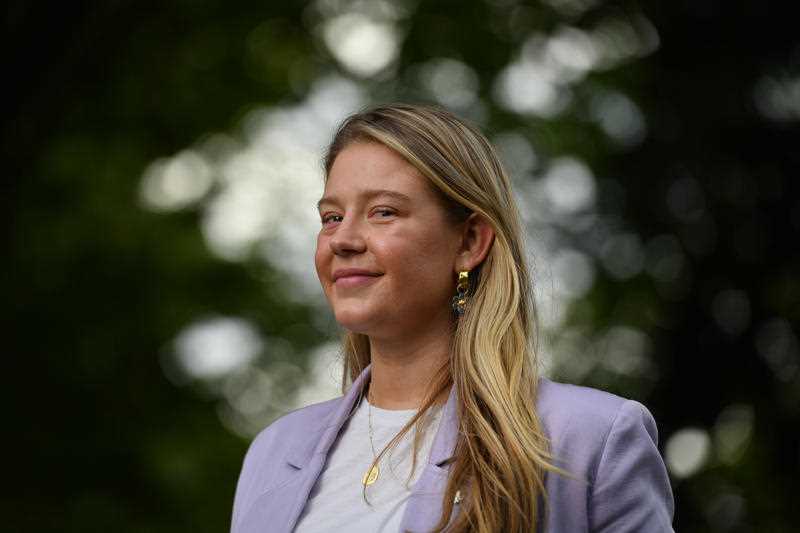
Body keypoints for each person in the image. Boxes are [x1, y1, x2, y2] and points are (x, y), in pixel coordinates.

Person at [230, 104, 674, 533]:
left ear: (469, 241)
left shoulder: (588, 439)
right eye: (331, 217)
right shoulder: (273, 453)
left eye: (383, 211)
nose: (342, 239)